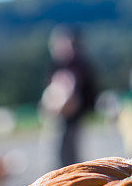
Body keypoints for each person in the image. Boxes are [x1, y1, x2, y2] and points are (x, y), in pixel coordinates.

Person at [41, 25, 97, 167]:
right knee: (60, 151)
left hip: (73, 117)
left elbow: (79, 95)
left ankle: (72, 179)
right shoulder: (57, 66)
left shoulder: (78, 66)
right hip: (60, 117)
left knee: (68, 153)